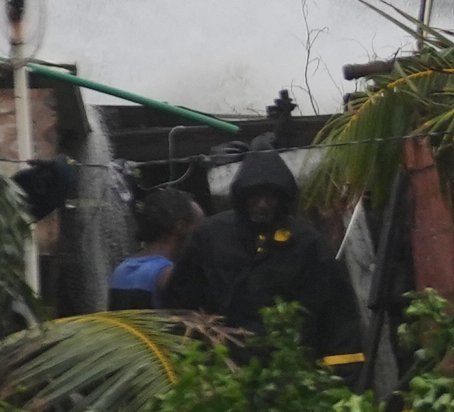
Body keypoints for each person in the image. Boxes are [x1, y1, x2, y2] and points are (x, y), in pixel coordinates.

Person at [167, 148, 368, 369]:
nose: (262, 204)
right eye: (255, 196)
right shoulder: (209, 237)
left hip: (294, 371)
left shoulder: (309, 244)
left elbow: (338, 316)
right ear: (242, 197)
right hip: (224, 370)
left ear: (283, 199)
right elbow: (180, 304)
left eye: (270, 196)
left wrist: (341, 375)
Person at [111, 186, 198, 308]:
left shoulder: (121, 270)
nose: (201, 232)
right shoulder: (167, 274)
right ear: (181, 226)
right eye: (199, 225)